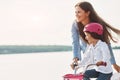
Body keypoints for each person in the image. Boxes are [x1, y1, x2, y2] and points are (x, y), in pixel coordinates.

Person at [71, 1, 120, 72]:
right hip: (87, 52)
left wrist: (114, 64)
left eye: (79, 12)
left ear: (87, 13)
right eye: (75, 12)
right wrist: (76, 58)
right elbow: (75, 42)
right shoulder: (75, 25)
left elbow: (106, 44)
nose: (76, 15)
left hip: (99, 54)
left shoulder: (98, 24)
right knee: (86, 72)